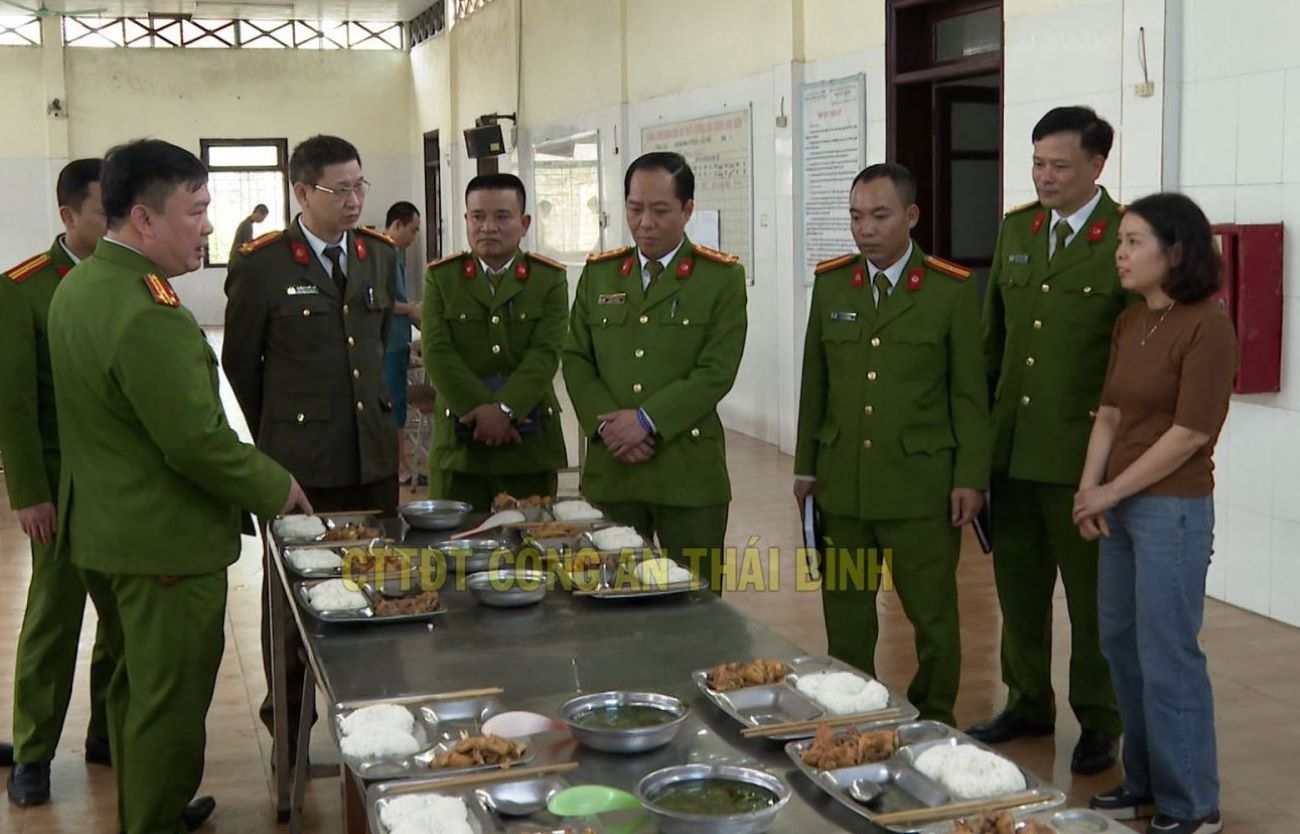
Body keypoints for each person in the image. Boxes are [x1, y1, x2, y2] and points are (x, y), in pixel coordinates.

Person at [46, 138, 311, 834]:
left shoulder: (81, 286)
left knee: (139, 691)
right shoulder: (145, 313)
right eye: (195, 212)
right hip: (163, 543)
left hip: (108, 530)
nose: (208, 227)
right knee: (169, 705)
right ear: (143, 218)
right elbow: (194, 440)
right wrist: (275, 486)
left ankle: (148, 805)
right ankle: (154, 819)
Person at [222, 134, 399, 760]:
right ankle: (291, 729)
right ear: (302, 192)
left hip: (371, 458)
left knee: (381, 589)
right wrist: (268, 454)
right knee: (293, 602)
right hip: (300, 466)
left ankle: (379, 721)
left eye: (360, 186)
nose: (353, 200)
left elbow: (373, 352)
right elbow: (240, 368)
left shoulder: (378, 254)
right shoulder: (264, 262)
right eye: (339, 189)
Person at [793, 163, 989, 725]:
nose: (866, 229)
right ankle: (852, 711)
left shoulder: (950, 290)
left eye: (879, 216)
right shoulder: (833, 284)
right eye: (856, 217)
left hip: (921, 488)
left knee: (932, 614)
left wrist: (969, 477)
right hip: (844, 484)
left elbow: (969, 396)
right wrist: (805, 468)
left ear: (911, 216)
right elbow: (817, 384)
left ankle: (934, 715)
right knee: (848, 611)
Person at [1073, 193, 1235, 834]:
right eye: (1121, 240)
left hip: (1173, 511)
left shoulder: (1208, 325)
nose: (1121, 252)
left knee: (1167, 654)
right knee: (1123, 648)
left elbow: (1189, 433)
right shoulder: (1132, 321)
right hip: (1120, 508)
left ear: (1176, 251)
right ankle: (1143, 784)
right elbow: (1110, 413)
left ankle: (1192, 803)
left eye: (1134, 241)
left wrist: (1110, 493)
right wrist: (1089, 490)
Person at [972, 105, 1127, 774]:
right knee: (1020, 588)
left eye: (1059, 165)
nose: (1045, 176)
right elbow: (993, 343)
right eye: (1038, 162)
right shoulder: (1017, 230)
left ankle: (1100, 719)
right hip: (1013, 450)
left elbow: (1131, 361)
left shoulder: (1125, 237)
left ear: (1096, 166)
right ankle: (1027, 699)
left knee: (1092, 598)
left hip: (1082, 459)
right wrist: (977, 447)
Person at [563, 152, 747, 590]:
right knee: (608, 594)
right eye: (635, 208)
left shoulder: (720, 278)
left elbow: (716, 370)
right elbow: (575, 357)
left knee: (696, 604)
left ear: (687, 210)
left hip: (688, 473)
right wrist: (610, 425)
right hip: (613, 471)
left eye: (660, 210)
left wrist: (645, 421)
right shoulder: (601, 275)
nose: (645, 222)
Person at [0, 159, 115, 807]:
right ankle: (34, 752)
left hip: (124, 492)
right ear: (70, 217)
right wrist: (30, 493)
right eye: (105, 209)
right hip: (62, 496)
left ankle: (108, 736)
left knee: (125, 627)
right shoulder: (23, 288)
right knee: (52, 623)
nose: (121, 218)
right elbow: (13, 404)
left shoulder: (135, 279)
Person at [422, 174, 568, 509]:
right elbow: (437, 351)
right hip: (460, 445)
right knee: (454, 552)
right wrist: (481, 413)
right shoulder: (443, 278)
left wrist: (505, 410)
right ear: (466, 220)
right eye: (478, 217)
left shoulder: (548, 279)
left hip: (528, 444)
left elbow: (546, 353)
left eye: (502, 216)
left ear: (524, 222)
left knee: (530, 547)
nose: (488, 227)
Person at [383, 201, 423, 484]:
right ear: (397, 225)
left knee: (397, 404)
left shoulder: (393, 253)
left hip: (397, 341)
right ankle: (400, 469)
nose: (414, 237)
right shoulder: (381, 254)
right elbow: (381, 302)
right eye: (412, 230)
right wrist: (410, 309)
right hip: (388, 344)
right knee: (394, 406)